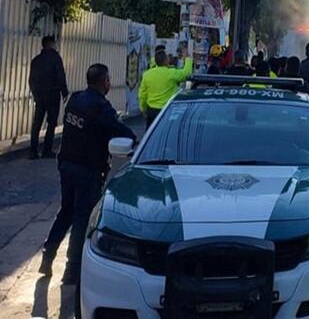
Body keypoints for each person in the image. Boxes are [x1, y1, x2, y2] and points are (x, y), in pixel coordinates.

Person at [40, 63, 137, 283]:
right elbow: (119, 130)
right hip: (88, 170)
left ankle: (48, 256)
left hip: (66, 164)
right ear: (105, 82)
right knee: (82, 217)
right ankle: (72, 269)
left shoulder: (75, 100)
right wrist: (137, 142)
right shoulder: (101, 108)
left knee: (66, 211)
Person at [28, 36, 69, 159]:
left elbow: (31, 80)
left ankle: (33, 151)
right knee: (51, 123)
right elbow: (60, 75)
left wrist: (35, 94)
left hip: (40, 96)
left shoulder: (36, 60)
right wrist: (64, 92)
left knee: (37, 123)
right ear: (51, 44)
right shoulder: (55, 58)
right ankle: (47, 150)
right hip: (53, 95)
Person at [139, 47, 192, 128]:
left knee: (151, 134)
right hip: (167, 110)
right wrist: (188, 58)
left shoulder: (147, 75)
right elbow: (187, 73)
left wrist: (143, 109)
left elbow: (142, 94)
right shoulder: (171, 73)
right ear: (165, 61)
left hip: (151, 111)